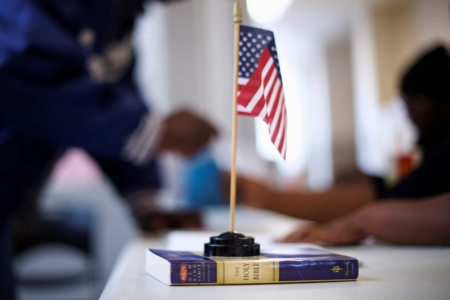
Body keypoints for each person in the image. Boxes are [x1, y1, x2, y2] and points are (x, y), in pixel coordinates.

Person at [0, 0, 217, 298]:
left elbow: (109, 94)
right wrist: (151, 132)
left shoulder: (118, 15)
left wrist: (146, 201)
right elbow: (24, 76)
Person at [235, 44, 450, 246]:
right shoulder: (430, 142)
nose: (409, 113)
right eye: (405, 103)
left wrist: (360, 222)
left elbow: (404, 197)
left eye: (417, 103)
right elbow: (411, 189)